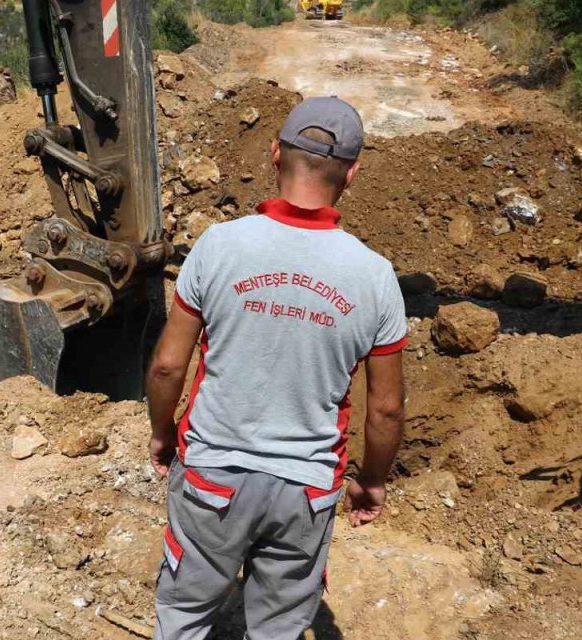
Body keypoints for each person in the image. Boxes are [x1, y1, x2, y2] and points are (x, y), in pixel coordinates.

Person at [146, 96, 408, 639]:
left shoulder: (219, 247)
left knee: (185, 617)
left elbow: (169, 367)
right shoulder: (376, 277)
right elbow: (385, 407)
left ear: (274, 156)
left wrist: (161, 433)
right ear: (352, 175)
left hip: (212, 477)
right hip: (306, 489)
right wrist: (373, 479)